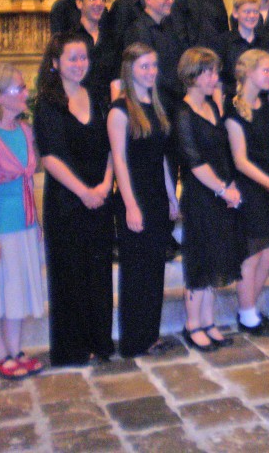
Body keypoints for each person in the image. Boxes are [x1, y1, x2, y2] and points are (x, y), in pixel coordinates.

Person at [34, 33, 115, 366]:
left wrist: (106, 184)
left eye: (84, 57)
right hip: (67, 202)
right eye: (72, 58)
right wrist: (83, 192)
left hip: (100, 197)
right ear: (55, 63)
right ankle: (73, 348)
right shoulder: (48, 103)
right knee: (70, 275)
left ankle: (100, 341)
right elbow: (50, 157)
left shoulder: (96, 96)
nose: (80, 64)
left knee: (99, 273)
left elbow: (111, 145)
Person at [108, 43, 179, 357]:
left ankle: (150, 336)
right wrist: (131, 205)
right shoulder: (119, 110)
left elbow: (161, 157)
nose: (151, 72)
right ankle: (134, 341)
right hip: (134, 197)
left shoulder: (155, 105)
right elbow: (119, 161)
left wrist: (171, 196)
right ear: (130, 69)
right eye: (144, 66)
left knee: (154, 271)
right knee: (136, 272)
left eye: (154, 65)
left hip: (156, 196)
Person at [175, 47, 243, 351]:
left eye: (215, 71)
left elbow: (222, 151)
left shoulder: (213, 106)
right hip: (201, 194)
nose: (215, 77)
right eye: (209, 72)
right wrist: (222, 189)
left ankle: (208, 320)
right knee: (200, 260)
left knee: (216, 257)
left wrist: (230, 185)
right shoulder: (183, 112)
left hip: (220, 190)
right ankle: (193, 324)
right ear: (193, 75)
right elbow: (194, 162)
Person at [225, 49, 269, 335]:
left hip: (268, 184)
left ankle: (248, 309)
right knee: (251, 254)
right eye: (265, 70)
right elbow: (240, 161)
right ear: (249, 72)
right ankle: (248, 314)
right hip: (250, 187)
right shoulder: (233, 110)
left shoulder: (266, 104)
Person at [0, 64, 45, 379]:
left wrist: (36, 222)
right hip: (0, 227)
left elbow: (28, 181)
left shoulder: (25, 131)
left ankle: (14, 349)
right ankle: (0, 354)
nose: (26, 93)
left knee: (17, 290)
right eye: (19, 88)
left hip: (24, 224)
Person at [123, 0, 185, 115]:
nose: (170, 1)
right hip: (152, 101)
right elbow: (142, 71)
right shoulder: (137, 30)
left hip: (172, 98)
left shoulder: (170, 27)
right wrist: (175, 89)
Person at [73, 0, 118, 98]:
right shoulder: (70, 39)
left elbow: (117, 79)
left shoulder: (111, 38)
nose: (98, 3)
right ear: (79, 3)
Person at [217, 0, 260, 97]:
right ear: (235, 13)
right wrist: (219, 106)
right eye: (247, 12)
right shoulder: (224, 42)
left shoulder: (265, 42)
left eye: (255, 12)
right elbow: (218, 79)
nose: (252, 16)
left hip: (260, 100)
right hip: (233, 99)